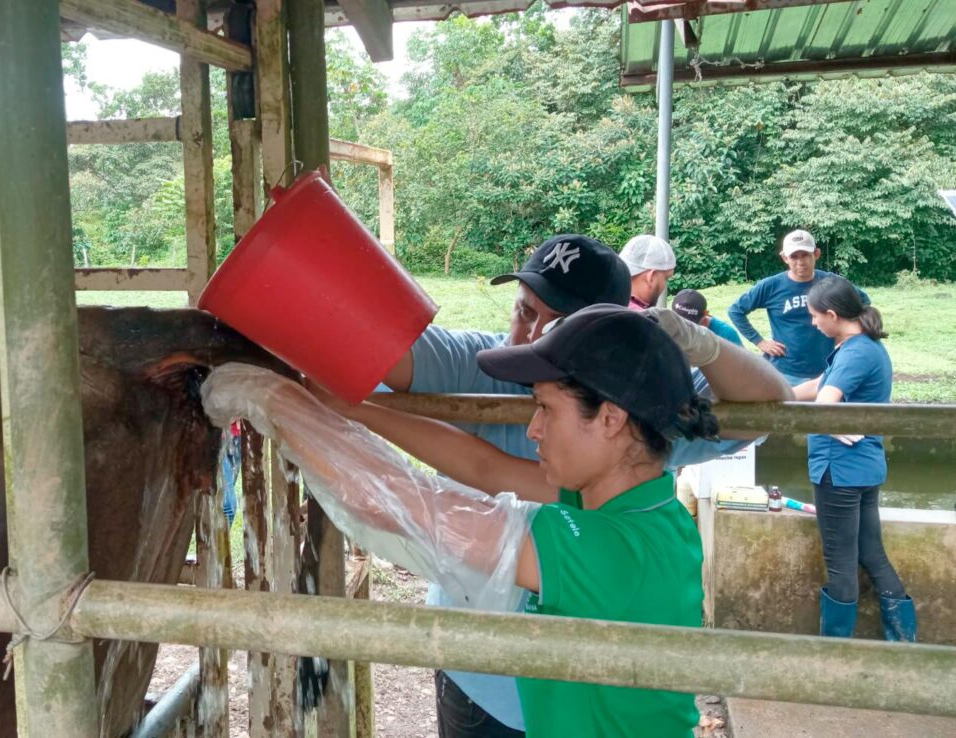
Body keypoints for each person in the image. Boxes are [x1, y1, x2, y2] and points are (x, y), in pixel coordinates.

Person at [201, 305, 723, 737]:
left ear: (610, 418)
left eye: (546, 409)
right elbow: (483, 465)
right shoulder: (638, 505)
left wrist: (275, 401)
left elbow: (405, 506)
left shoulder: (608, 549)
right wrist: (357, 409)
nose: (534, 429)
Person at [375, 234, 787, 736]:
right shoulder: (492, 362)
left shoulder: (636, 405)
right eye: (524, 311)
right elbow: (486, 467)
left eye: (558, 326)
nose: (529, 336)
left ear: (614, 417)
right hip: (483, 675)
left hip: (587, 688)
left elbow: (768, 407)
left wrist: (695, 341)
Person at [793, 277, 915, 642]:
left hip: (839, 471)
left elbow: (825, 402)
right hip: (865, 468)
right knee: (871, 554)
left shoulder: (855, 352)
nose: (813, 323)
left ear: (832, 315)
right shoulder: (864, 347)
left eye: (815, 316)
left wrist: (829, 425)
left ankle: (836, 652)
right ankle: (903, 643)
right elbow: (817, 385)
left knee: (841, 566)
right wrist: (770, 393)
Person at [728, 230, 869, 386]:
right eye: (794, 257)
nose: (800, 262)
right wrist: (760, 342)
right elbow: (736, 310)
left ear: (816, 254)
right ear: (785, 258)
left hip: (827, 368)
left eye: (805, 255)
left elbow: (863, 302)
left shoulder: (831, 283)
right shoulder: (771, 286)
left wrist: (847, 336)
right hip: (785, 370)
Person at [618, 234, 676, 311]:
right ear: (651, 277)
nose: (664, 285)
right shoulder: (641, 319)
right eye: (666, 278)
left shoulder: (602, 300)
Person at [671, 289, 741, 347]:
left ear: (706, 314)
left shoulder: (726, 335)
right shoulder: (668, 327)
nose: (684, 328)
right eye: (679, 321)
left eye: (691, 325)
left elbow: (741, 363)